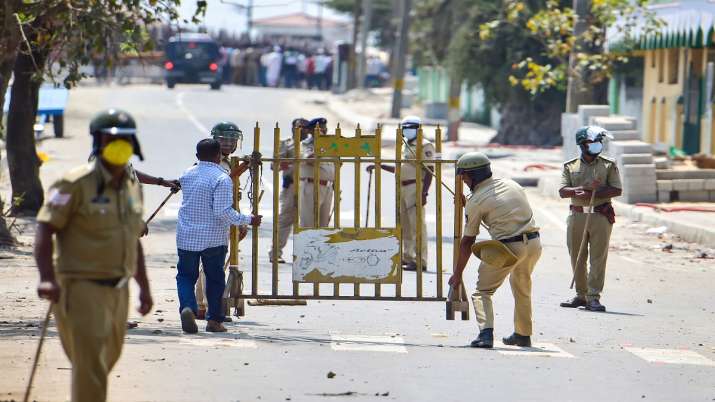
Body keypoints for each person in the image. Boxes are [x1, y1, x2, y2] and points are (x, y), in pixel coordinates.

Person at [34, 109, 153, 402]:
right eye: (113, 137)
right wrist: (47, 278)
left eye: (126, 138)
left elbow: (133, 239)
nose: (120, 143)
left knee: (105, 361)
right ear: (99, 140)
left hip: (119, 290)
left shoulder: (131, 188)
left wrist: (144, 288)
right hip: (80, 288)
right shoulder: (74, 183)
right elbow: (45, 228)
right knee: (90, 367)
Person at [448, 152, 542, 349]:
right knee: (522, 287)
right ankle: (523, 334)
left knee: (483, 291)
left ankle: (485, 334)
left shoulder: (477, 201)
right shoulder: (511, 184)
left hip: (508, 248)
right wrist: (472, 204)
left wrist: (457, 274)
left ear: (473, 175)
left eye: (464, 176)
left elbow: (467, 241)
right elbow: (500, 207)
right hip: (533, 244)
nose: (463, 181)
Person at [176, 138, 261, 333]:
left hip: (187, 235)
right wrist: (248, 219)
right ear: (218, 156)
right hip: (213, 238)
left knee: (186, 276)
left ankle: (188, 307)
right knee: (214, 279)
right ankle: (214, 320)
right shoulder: (221, 178)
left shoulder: (187, 174)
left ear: (197, 156)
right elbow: (222, 212)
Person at [559, 126, 622, 312]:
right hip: (577, 215)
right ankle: (581, 295)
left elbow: (617, 189)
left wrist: (598, 189)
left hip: (600, 215)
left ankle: (594, 297)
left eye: (598, 142)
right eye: (593, 142)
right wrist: (580, 190)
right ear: (583, 144)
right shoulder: (570, 166)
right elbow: (563, 191)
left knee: (598, 257)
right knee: (576, 256)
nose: (597, 145)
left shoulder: (608, 165)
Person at [194, 122, 250, 320]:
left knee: (211, 264)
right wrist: (244, 167)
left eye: (232, 140)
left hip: (223, 215)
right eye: (224, 139)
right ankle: (209, 307)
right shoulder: (214, 160)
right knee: (213, 265)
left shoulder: (226, 160)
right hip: (214, 218)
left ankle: (202, 304)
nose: (228, 143)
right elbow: (225, 181)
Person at [367, 116, 433, 271]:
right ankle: (407, 256)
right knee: (405, 226)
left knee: (417, 226)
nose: (407, 131)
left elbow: (430, 170)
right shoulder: (404, 145)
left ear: (418, 129)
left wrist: (424, 193)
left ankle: (420, 260)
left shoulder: (425, 145)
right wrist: (380, 165)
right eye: (405, 128)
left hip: (415, 187)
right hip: (402, 188)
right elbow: (401, 168)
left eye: (410, 128)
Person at [269, 117, 309, 263]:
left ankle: (305, 254)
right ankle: (275, 252)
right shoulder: (285, 144)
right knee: (285, 219)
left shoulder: (312, 144)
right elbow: (275, 165)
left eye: (305, 127)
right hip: (292, 185)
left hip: (309, 185)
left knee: (308, 221)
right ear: (292, 128)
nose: (302, 130)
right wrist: (291, 164)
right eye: (299, 127)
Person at [299, 117, 334, 228]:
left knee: (323, 227)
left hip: (328, 187)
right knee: (308, 225)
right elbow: (309, 159)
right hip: (312, 186)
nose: (324, 131)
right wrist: (320, 147)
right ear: (310, 131)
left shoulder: (330, 145)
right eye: (320, 129)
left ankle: (320, 246)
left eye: (325, 129)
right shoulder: (305, 144)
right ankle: (306, 246)